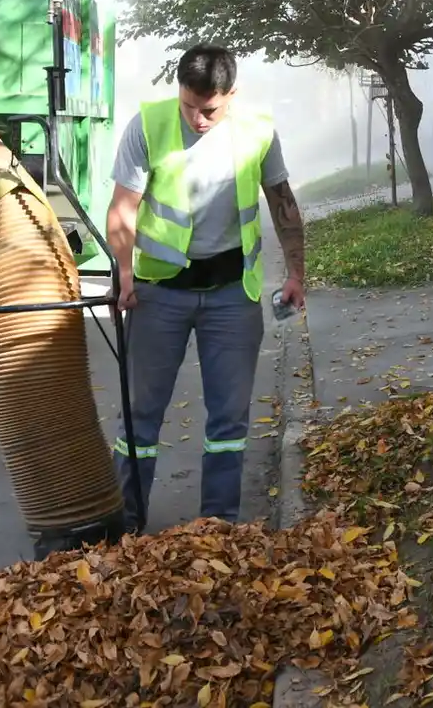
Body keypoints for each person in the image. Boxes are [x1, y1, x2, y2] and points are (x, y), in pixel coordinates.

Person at [104, 44, 307, 529]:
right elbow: (122, 209)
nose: (197, 118)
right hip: (158, 296)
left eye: (209, 109)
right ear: (179, 89)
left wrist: (297, 274)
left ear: (231, 94)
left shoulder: (258, 131)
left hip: (231, 297)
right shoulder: (147, 125)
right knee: (139, 416)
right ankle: (124, 526)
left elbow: (283, 203)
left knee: (229, 421)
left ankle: (217, 528)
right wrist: (125, 275)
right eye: (189, 106)